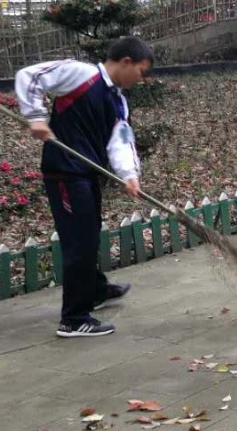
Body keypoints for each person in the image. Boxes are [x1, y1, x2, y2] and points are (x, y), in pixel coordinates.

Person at [15, 37, 153, 338]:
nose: (141, 80)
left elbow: (121, 141)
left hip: (87, 173)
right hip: (64, 171)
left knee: (89, 234)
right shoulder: (80, 74)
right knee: (79, 241)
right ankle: (74, 318)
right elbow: (29, 76)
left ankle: (95, 290)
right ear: (126, 61)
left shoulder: (117, 100)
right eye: (142, 72)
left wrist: (130, 174)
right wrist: (35, 116)